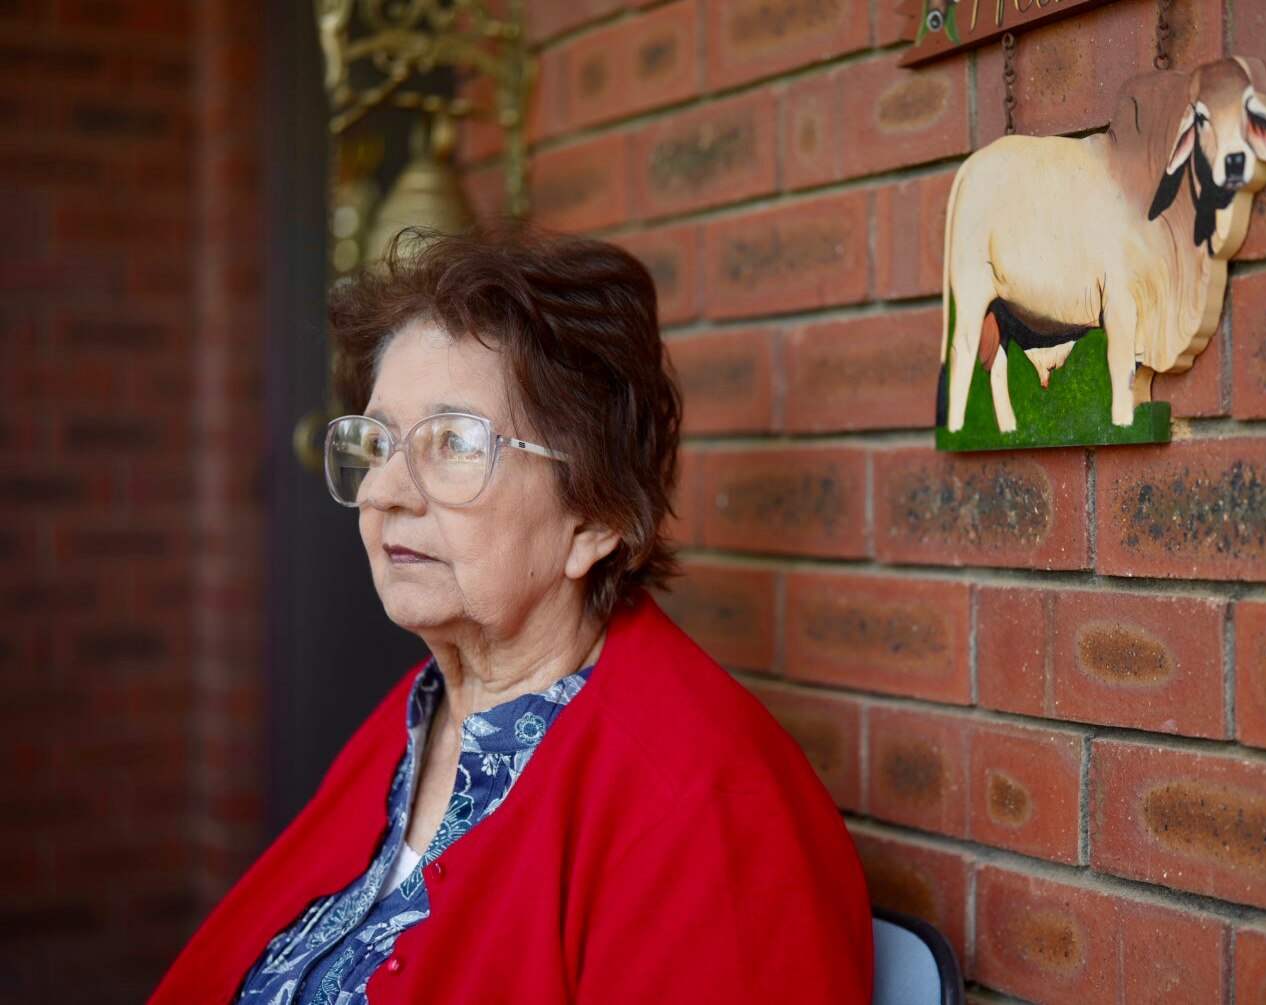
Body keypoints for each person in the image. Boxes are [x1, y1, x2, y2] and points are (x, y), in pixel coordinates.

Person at [148, 225, 874, 1004]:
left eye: (454, 443)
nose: (383, 489)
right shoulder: (417, 720)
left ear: (593, 517)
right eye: (379, 440)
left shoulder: (708, 809)